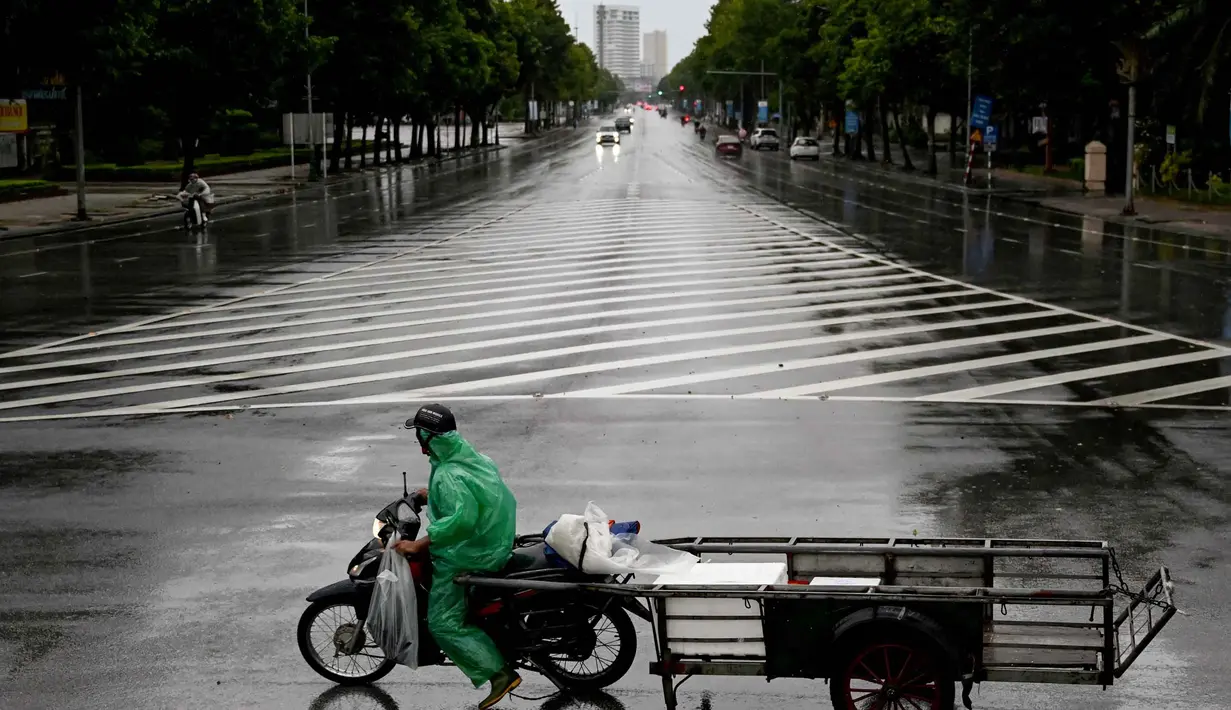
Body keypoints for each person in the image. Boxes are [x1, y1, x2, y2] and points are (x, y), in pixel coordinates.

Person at [395, 404, 520, 710]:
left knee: (441, 623)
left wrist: (420, 545)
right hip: (494, 541)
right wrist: (430, 495)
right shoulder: (469, 457)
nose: (419, 444)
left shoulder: (449, 473)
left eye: (420, 436)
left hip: (470, 552)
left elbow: (462, 520)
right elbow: (469, 492)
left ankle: (499, 673)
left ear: (428, 436)